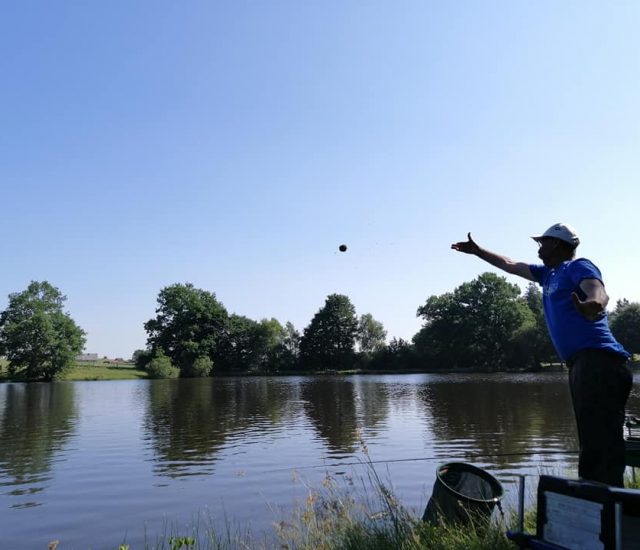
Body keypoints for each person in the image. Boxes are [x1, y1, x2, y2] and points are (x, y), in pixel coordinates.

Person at [452, 223, 633, 487]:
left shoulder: (578, 266)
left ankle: (608, 512)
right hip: (583, 365)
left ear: (557, 244)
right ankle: (597, 511)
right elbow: (510, 264)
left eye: (543, 242)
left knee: (601, 448)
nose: (539, 247)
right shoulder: (548, 274)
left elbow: (598, 290)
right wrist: (478, 251)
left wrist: (593, 304)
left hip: (600, 362)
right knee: (593, 444)